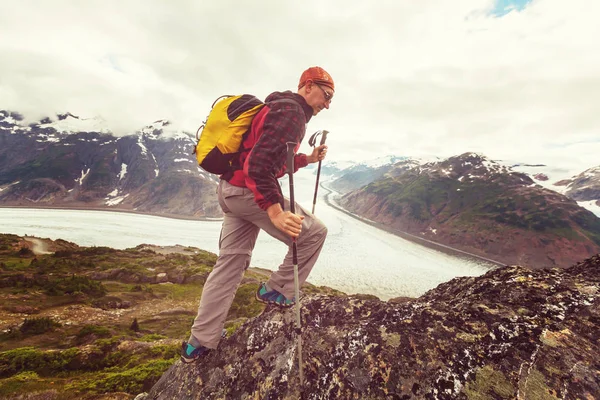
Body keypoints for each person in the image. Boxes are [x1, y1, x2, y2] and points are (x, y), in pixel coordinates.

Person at [181, 66, 335, 363]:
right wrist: (275, 211)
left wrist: (307, 158)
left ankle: (199, 341)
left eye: (330, 100)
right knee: (314, 233)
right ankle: (277, 290)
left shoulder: (276, 107)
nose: (326, 104)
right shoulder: (292, 115)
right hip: (247, 192)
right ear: (307, 86)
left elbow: (269, 161)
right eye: (325, 95)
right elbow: (259, 167)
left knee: (230, 264)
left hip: (230, 191)